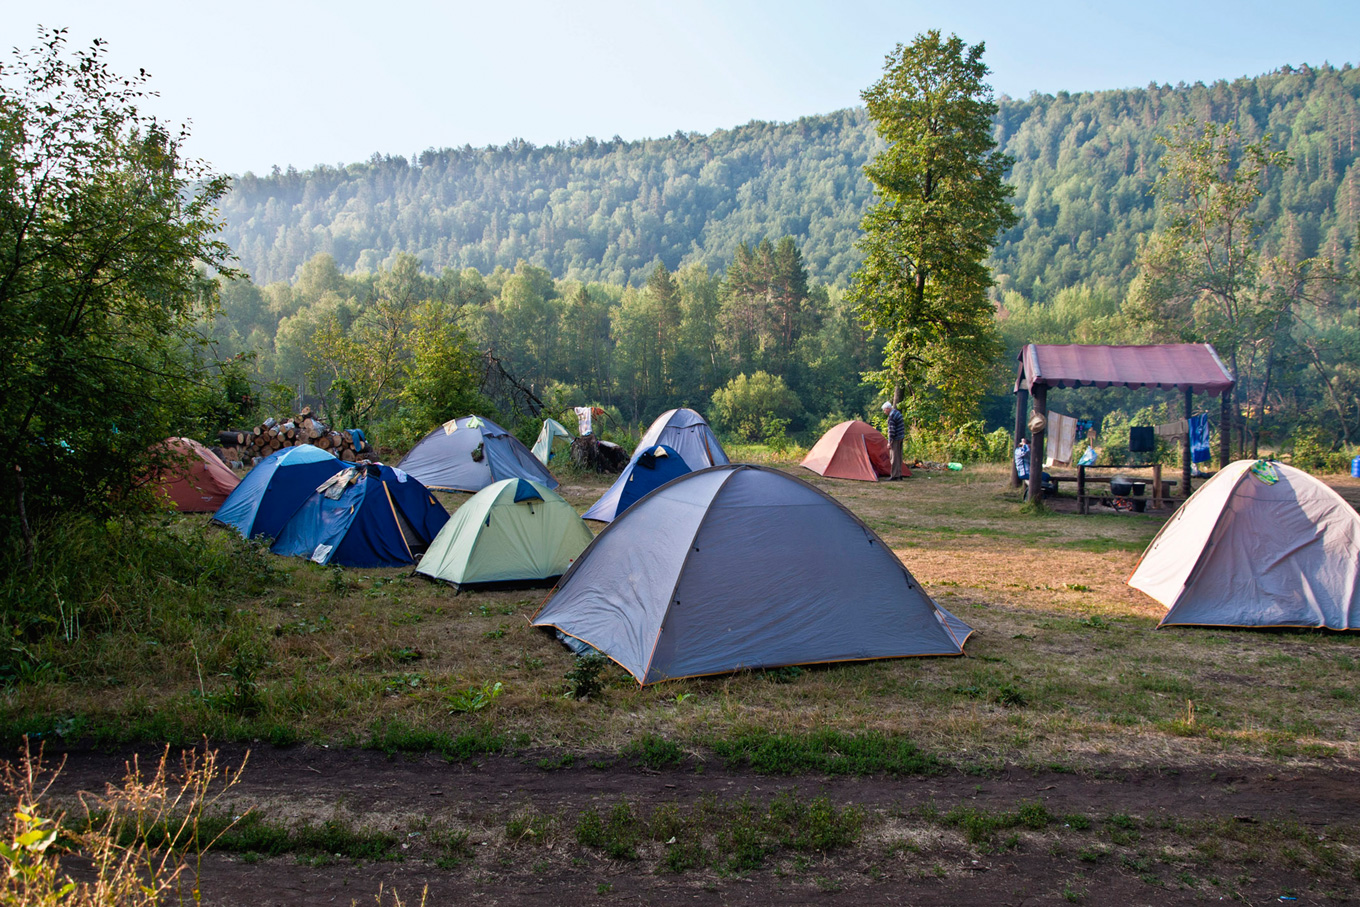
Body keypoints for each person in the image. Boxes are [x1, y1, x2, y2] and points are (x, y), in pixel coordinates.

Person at [882, 401, 905, 480]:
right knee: (899, 456)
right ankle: (899, 474)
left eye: (884, 410)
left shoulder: (891, 417)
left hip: (895, 438)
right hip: (901, 437)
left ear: (888, 409)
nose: (884, 412)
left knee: (894, 457)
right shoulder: (897, 413)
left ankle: (894, 475)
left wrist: (889, 442)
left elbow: (891, 431)